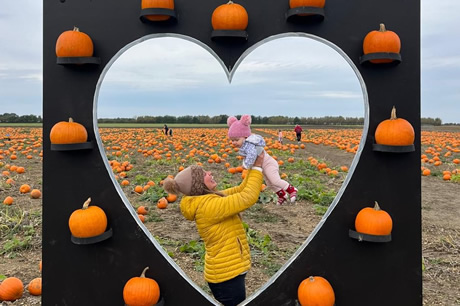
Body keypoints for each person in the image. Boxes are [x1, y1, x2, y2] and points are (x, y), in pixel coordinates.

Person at [162, 153, 265, 306]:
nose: (210, 173)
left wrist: (251, 166)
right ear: (198, 185)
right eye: (204, 174)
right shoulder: (208, 207)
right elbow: (247, 197)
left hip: (228, 270)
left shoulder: (209, 199)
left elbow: (241, 190)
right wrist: (257, 167)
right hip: (226, 276)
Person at [227, 115, 298, 205]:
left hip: (269, 164)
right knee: (269, 183)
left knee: (275, 181)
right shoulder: (245, 145)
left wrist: (245, 165)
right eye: (232, 140)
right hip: (263, 166)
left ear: (245, 137)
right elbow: (246, 156)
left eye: (236, 140)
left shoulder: (250, 144)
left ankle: (291, 189)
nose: (234, 143)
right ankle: (282, 195)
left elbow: (252, 155)